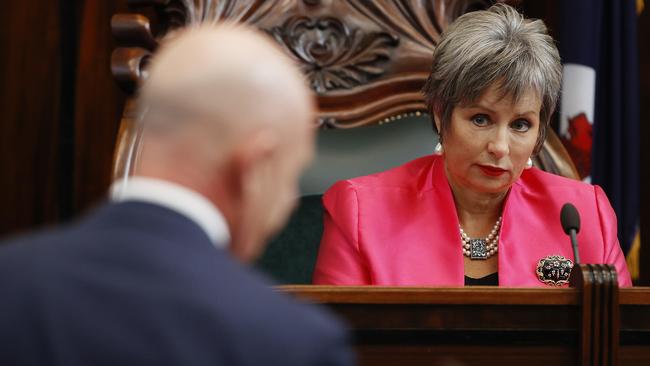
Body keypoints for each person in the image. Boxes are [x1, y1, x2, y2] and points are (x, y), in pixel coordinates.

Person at [0, 24, 354, 365]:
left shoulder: (9, 282)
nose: (285, 200)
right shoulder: (291, 342)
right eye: (290, 175)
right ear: (252, 166)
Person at [312, 4, 631, 287]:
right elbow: (337, 348)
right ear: (440, 114)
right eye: (481, 119)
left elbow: (617, 344)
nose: (500, 147)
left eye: (521, 124)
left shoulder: (585, 216)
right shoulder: (361, 213)